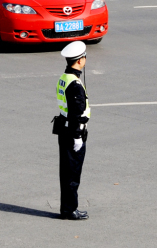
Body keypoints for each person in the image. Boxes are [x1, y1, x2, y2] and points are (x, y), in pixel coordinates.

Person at [54, 41, 90, 220]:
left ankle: (67, 208)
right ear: (80, 61)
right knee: (72, 174)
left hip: (64, 130)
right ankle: (70, 210)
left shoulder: (64, 77)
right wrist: (77, 137)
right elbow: (76, 113)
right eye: (84, 57)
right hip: (72, 133)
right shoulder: (75, 84)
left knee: (66, 172)